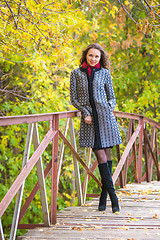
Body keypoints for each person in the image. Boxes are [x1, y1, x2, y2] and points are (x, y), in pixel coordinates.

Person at [70, 43, 122, 213]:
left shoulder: (105, 73)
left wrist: (108, 107)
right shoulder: (76, 74)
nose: (93, 59)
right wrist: (85, 112)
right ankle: (114, 198)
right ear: (86, 55)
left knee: (107, 155)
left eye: (97, 56)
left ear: (100, 58)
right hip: (90, 121)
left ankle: (103, 197)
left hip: (105, 118)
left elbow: (112, 97)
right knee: (101, 155)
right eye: (91, 55)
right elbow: (74, 98)